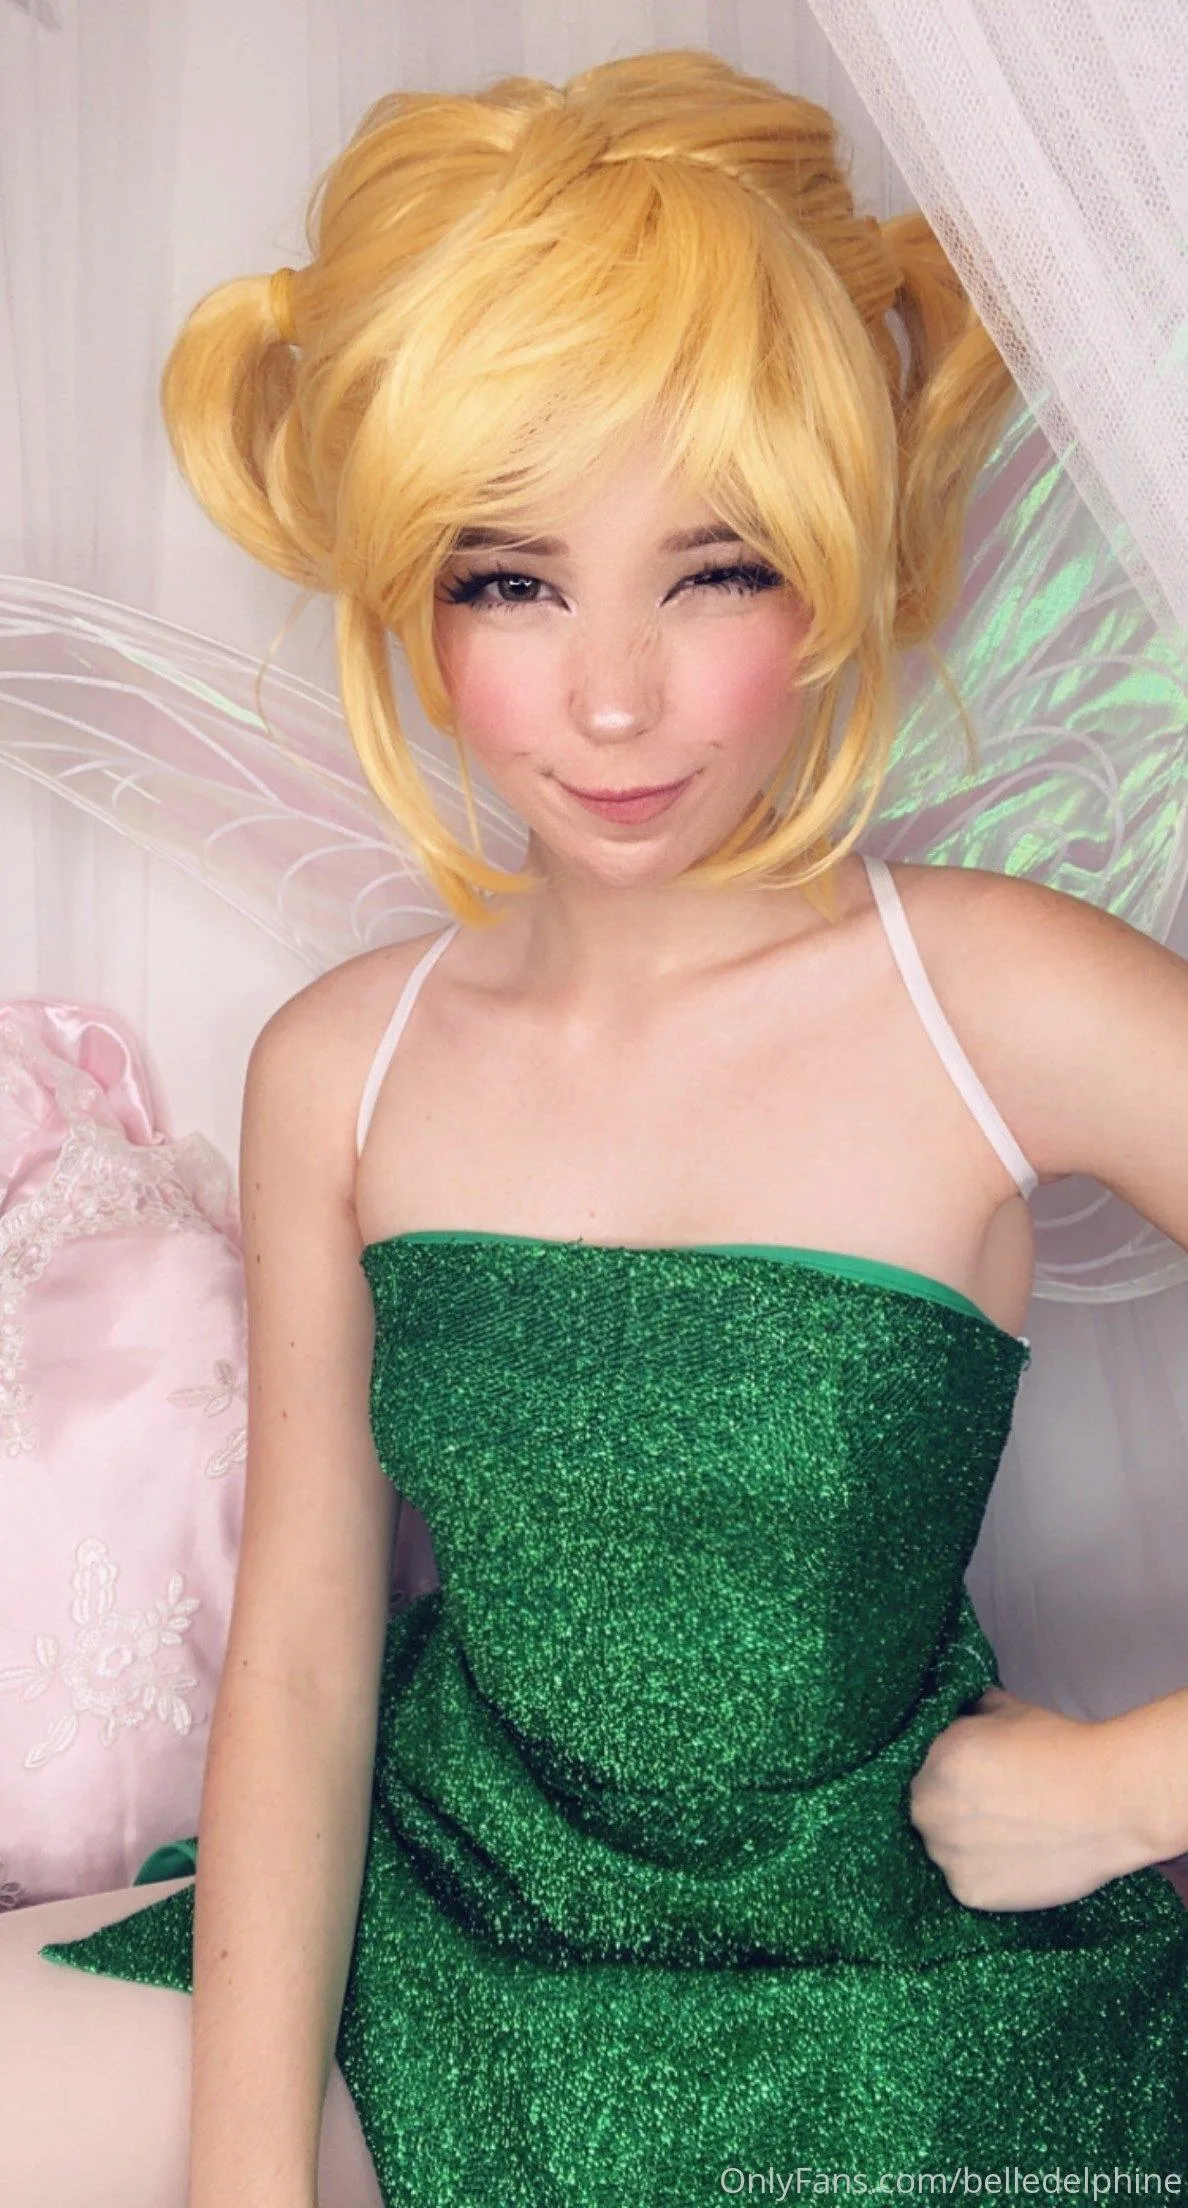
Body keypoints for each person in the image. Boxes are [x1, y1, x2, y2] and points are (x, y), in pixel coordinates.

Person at [2, 46, 1187, 2208]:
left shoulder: (1000, 997)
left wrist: (1137, 1785)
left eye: (712, 570)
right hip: (438, 1936)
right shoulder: (341, 1064)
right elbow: (302, 1665)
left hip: (885, 2000)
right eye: (513, 581)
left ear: (832, 567)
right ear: (407, 594)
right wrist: (245, 2177)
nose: (615, 695)